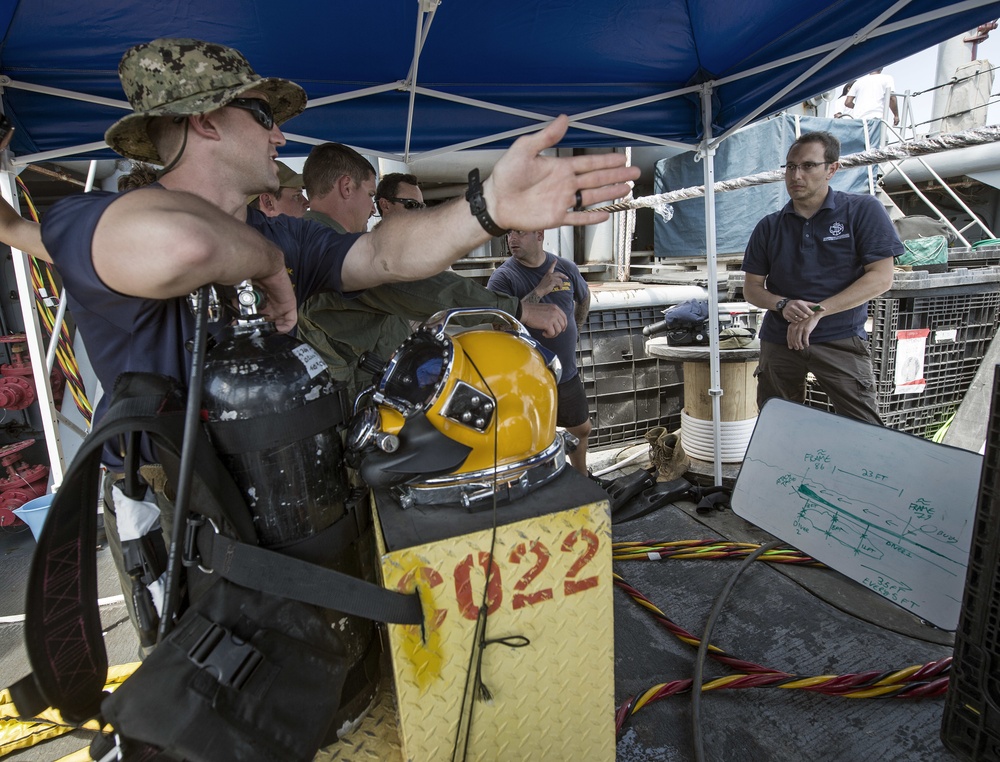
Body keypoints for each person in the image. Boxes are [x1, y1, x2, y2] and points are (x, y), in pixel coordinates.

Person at [0, 37, 634, 645]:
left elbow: (384, 256)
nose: (280, 135)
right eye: (262, 114)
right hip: (188, 538)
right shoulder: (94, 224)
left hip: (297, 508)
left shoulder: (281, 235)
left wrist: (487, 207)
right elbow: (184, 245)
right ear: (206, 123)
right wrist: (271, 267)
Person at [297, 146, 569, 398]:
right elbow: (421, 290)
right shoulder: (337, 251)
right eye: (369, 195)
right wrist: (518, 310)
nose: (371, 208)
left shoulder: (304, 241)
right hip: (358, 399)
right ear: (346, 187)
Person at [741, 130, 900, 424]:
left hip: (840, 337)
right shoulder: (769, 226)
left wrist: (817, 311)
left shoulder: (862, 210)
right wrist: (782, 304)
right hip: (779, 340)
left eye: (808, 165)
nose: (796, 175)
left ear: (832, 169)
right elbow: (751, 288)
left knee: (864, 429)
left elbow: (881, 278)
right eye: (790, 166)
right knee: (777, 425)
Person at [487, 230, 592, 475]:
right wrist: (541, 291)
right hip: (526, 380)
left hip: (564, 372)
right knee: (532, 441)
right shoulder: (503, 278)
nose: (512, 239)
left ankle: (582, 478)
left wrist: (575, 329)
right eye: (509, 233)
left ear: (539, 235)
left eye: (520, 233)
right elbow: (497, 325)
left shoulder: (565, 267)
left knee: (582, 430)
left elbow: (584, 297)